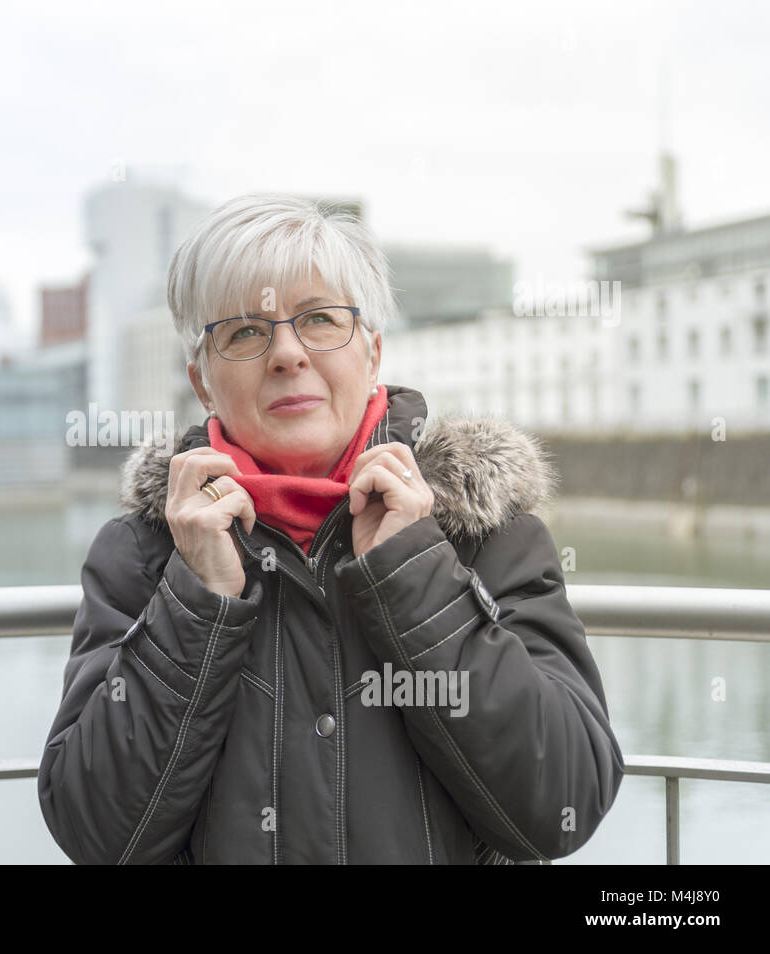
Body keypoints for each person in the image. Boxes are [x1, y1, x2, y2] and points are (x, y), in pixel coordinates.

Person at [37, 193, 624, 864]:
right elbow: (97, 835)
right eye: (245, 331)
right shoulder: (146, 550)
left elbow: (562, 807)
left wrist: (414, 572)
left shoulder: (481, 527)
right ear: (202, 382)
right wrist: (197, 600)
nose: (287, 353)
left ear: (372, 354)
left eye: (319, 319)